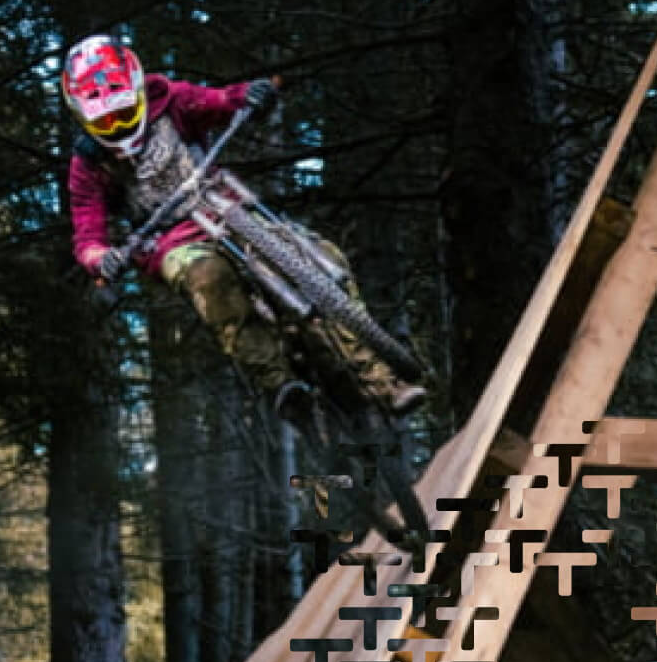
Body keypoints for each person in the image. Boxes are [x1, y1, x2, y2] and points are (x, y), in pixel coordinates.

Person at [59, 33, 427, 420]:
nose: (117, 125)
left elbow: (216, 102)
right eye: (105, 120)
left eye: (123, 110)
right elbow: (87, 232)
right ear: (83, 117)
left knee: (318, 252)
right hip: (169, 241)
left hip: (221, 203)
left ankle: (383, 382)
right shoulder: (88, 164)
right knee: (209, 279)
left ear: (136, 90)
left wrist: (250, 96)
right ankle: (280, 382)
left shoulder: (169, 99)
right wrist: (101, 259)